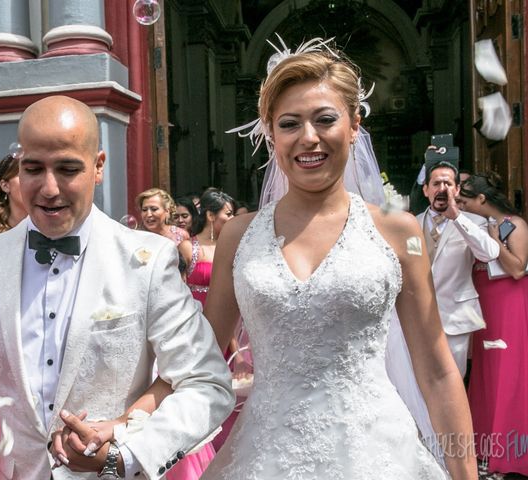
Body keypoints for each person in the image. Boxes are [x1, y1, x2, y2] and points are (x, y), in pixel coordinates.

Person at [201, 39, 477, 479]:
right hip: (266, 458)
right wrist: (131, 427)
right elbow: (202, 359)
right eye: (289, 123)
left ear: (354, 124)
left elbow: (438, 372)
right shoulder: (238, 235)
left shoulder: (398, 231)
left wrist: (466, 474)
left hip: (376, 456)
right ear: (271, 133)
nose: (308, 137)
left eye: (325, 119)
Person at [0, 95, 234, 480]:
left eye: (67, 169)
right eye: (33, 169)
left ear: (98, 166)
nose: (48, 188)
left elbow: (207, 382)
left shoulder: (147, 260)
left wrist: (126, 455)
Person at [458, 173, 528, 477]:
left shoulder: (516, 224)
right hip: (482, 304)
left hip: (509, 302)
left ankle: (512, 453)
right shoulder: (470, 224)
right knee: (485, 374)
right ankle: (484, 449)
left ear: (482, 200)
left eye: (465, 200)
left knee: (508, 373)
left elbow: (517, 268)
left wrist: (495, 242)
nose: (460, 205)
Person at [418, 160, 499, 376]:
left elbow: (490, 253)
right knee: (417, 382)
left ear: (457, 189)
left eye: (447, 183)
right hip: (416, 318)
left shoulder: (474, 222)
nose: (442, 189)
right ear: (426, 189)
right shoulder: (411, 224)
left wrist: (458, 219)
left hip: (455, 316)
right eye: (436, 183)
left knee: (453, 379)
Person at [177, 188, 242, 453]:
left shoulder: (232, 246)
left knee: (229, 383)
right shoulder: (186, 246)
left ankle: (225, 442)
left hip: (226, 320)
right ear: (211, 215)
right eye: (228, 214)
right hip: (194, 322)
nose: (232, 218)